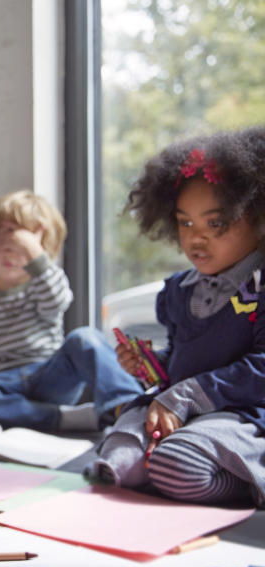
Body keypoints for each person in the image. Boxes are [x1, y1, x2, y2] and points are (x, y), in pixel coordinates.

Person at [86, 127, 265, 507]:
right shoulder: (179, 292)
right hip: (187, 413)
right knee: (116, 455)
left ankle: (244, 480)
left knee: (176, 464)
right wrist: (151, 366)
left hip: (243, 417)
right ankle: (165, 468)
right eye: (186, 223)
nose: (196, 238)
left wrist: (183, 397)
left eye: (215, 223)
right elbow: (183, 366)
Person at [0, 190, 141, 431]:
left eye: (17, 246)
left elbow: (59, 300)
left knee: (86, 337)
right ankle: (62, 418)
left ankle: (131, 407)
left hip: (48, 376)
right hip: (1, 385)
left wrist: (33, 251)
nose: (7, 250)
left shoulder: (42, 285)